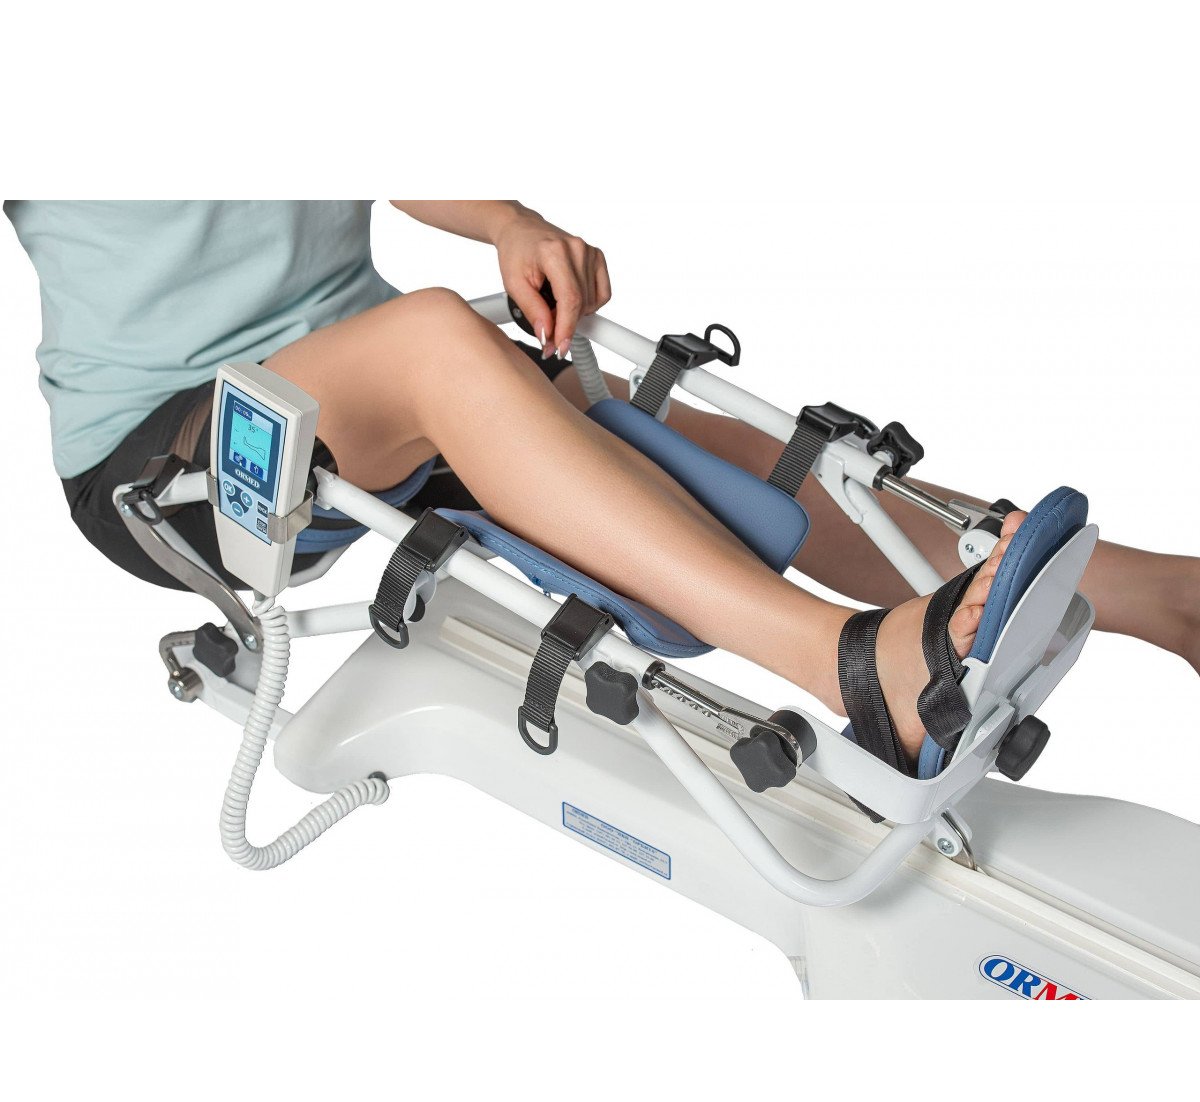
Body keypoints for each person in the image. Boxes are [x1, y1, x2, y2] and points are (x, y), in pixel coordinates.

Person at [6, 200, 1196, 769]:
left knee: (650, 432)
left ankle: (1170, 598)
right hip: (167, 455)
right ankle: (852, 665)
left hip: (366, 367)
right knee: (436, 341)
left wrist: (502, 219)